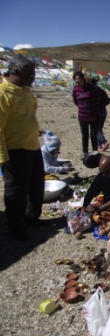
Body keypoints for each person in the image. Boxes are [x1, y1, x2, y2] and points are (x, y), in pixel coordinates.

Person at [0, 54, 45, 240]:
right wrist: (3, 158)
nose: (32, 78)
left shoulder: (25, 89)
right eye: (29, 74)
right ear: (16, 72)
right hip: (15, 149)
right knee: (17, 191)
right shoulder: (4, 93)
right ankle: (16, 228)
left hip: (32, 146)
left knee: (35, 186)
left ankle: (32, 218)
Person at [72, 71, 100, 158]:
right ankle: (85, 153)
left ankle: (95, 152)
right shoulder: (75, 89)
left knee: (93, 135)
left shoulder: (91, 88)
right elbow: (75, 101)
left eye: (78, 79)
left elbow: (97, 98)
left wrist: (91, 107)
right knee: (84, 136)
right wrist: (83, 107)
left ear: (83, 79)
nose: (77, 81)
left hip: (93, 115)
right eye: (75, 79)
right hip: (82, 116)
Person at [90, 78, 110, 151]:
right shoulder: (102, 90)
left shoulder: (91, 91)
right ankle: (99, 144)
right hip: (103, 111)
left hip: (96, 111)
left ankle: (104, 141)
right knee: (99, 128)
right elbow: (108, 101)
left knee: (96, 129)